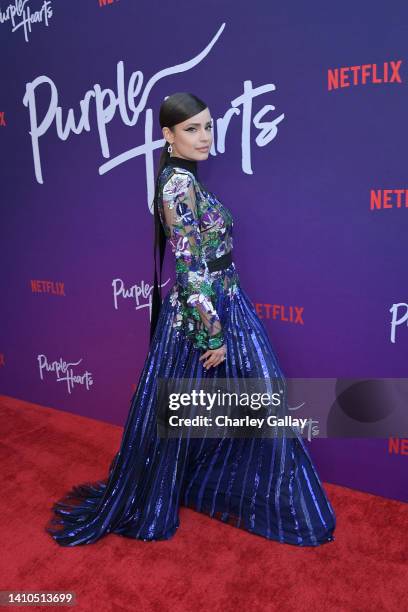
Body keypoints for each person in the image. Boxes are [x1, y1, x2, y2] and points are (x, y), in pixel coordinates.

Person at [45, 92, 336, 547]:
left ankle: (212, 488)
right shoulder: (177, 186)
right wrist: (211, 335)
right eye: (192, 129)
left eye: (208, 126)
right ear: (169, 135)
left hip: (224, 300)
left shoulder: (185, 180)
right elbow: (189, 265)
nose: (204, 137)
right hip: (205, 315)